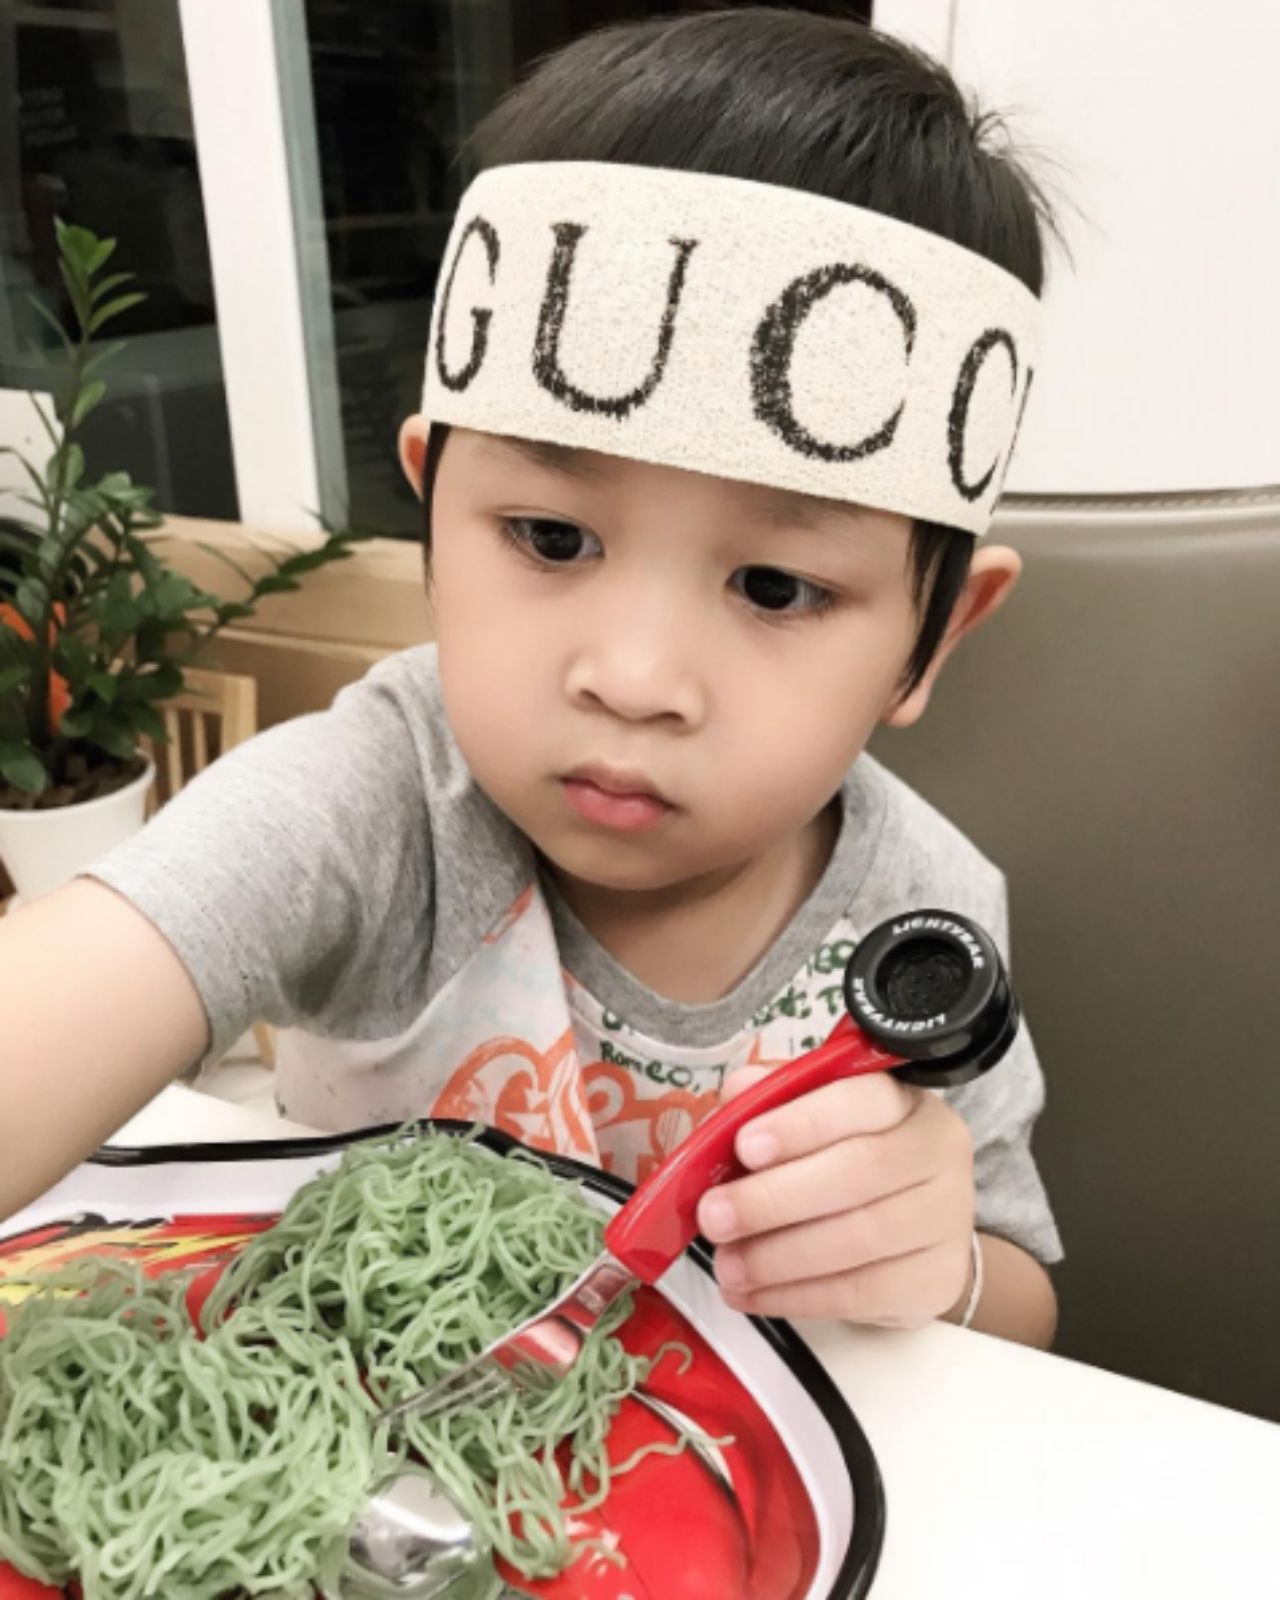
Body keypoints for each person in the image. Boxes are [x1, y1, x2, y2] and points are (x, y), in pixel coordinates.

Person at [0, 9, 1062, 1346]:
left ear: (935, 636)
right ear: (432, 522)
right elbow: (79, 986)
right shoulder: (378, 805)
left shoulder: (923, 920)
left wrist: (937, 1268)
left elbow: (1025, 1311)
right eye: (552, 539)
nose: (633, 678)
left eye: (775, 587)